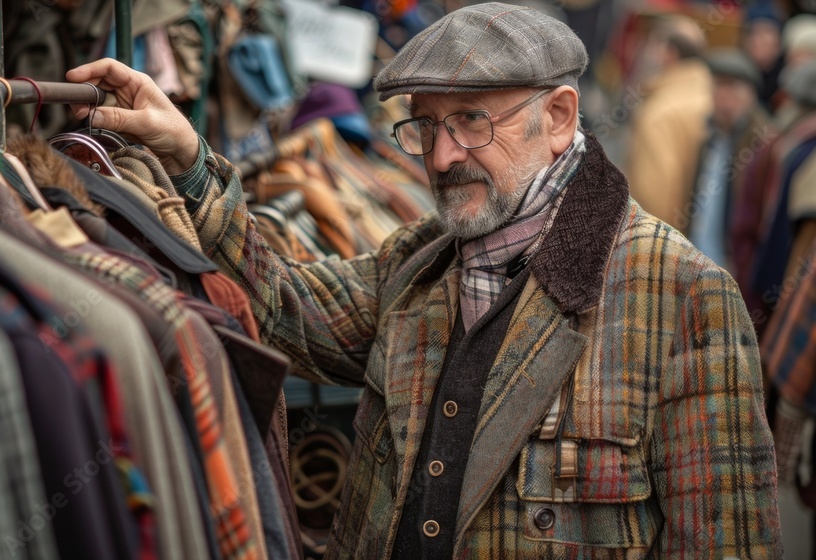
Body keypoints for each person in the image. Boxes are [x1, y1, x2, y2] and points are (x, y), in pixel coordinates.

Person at [66, 3, 782, 557]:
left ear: (559, 116)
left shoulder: (686, 298)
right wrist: (191, 158)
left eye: (470, 121)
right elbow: (287, 305)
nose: (441, 157)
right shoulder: (421, 260)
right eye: (423, 126)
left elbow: (724, 542)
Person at [685, 49, 773, 271]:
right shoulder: (709, 140)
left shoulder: (762, 145)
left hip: (735, 270)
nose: (724, 96)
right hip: (699, 264)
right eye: (718, 86)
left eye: (732, 87)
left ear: (750, 94)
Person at [625, 14, 713, 232]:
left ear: (669, 54)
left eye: (651, 45)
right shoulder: (711, 96)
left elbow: (654, 197)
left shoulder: (658, 112)